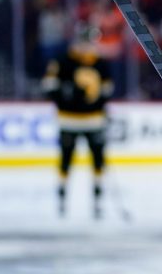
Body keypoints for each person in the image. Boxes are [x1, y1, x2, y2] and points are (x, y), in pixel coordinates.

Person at [42, 24, 114, 219]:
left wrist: (100, 106)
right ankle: (62, 195)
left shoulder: (100, 63)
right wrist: (65, 94)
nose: (87, 46)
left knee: (97, 160)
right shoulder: (63, 61)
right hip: (69, 120)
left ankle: (97, 197)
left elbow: (107, 91)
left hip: (93, 120)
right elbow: (48, 88)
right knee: (66, 160)